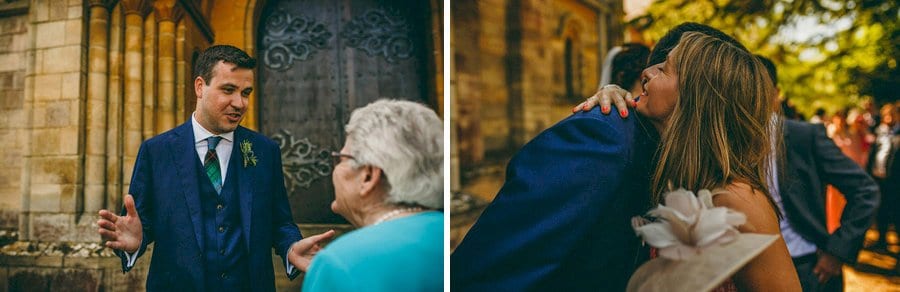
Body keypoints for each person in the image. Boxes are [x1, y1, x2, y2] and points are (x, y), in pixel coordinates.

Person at [452, 23, 762, 291]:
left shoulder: (723, 187)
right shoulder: (601, 136)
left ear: (697, 95)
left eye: (664, 67)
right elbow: (492, 268)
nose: (646, 72)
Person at [97, 45, 334, 291]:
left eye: (246, 92)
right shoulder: (156, 151)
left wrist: (292, 246)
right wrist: (137, 240)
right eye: (229, 90)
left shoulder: (265, 151)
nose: (240, 103)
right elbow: (141, 221)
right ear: (200, 87)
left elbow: (280, 222)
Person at [758, 55, 879, 292]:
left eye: (759, 87)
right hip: (750, 274)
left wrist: (837, 250)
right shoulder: (724, 143)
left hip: (807, 268)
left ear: (776, 93)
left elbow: (865, 191)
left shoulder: (804, 136)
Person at [300, 99, 443, 292]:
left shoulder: (340, 263)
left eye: (340, 159)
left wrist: (329, 272)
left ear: (368, 176)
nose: (334, 170)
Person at [867, 103, 900, 268]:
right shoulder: (881, 133)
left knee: (896, 215)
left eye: (892, 115)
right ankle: (881, 242)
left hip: (895, 183)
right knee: (881, 212)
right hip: (878, 180)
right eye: (886, 115)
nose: (889, 118)